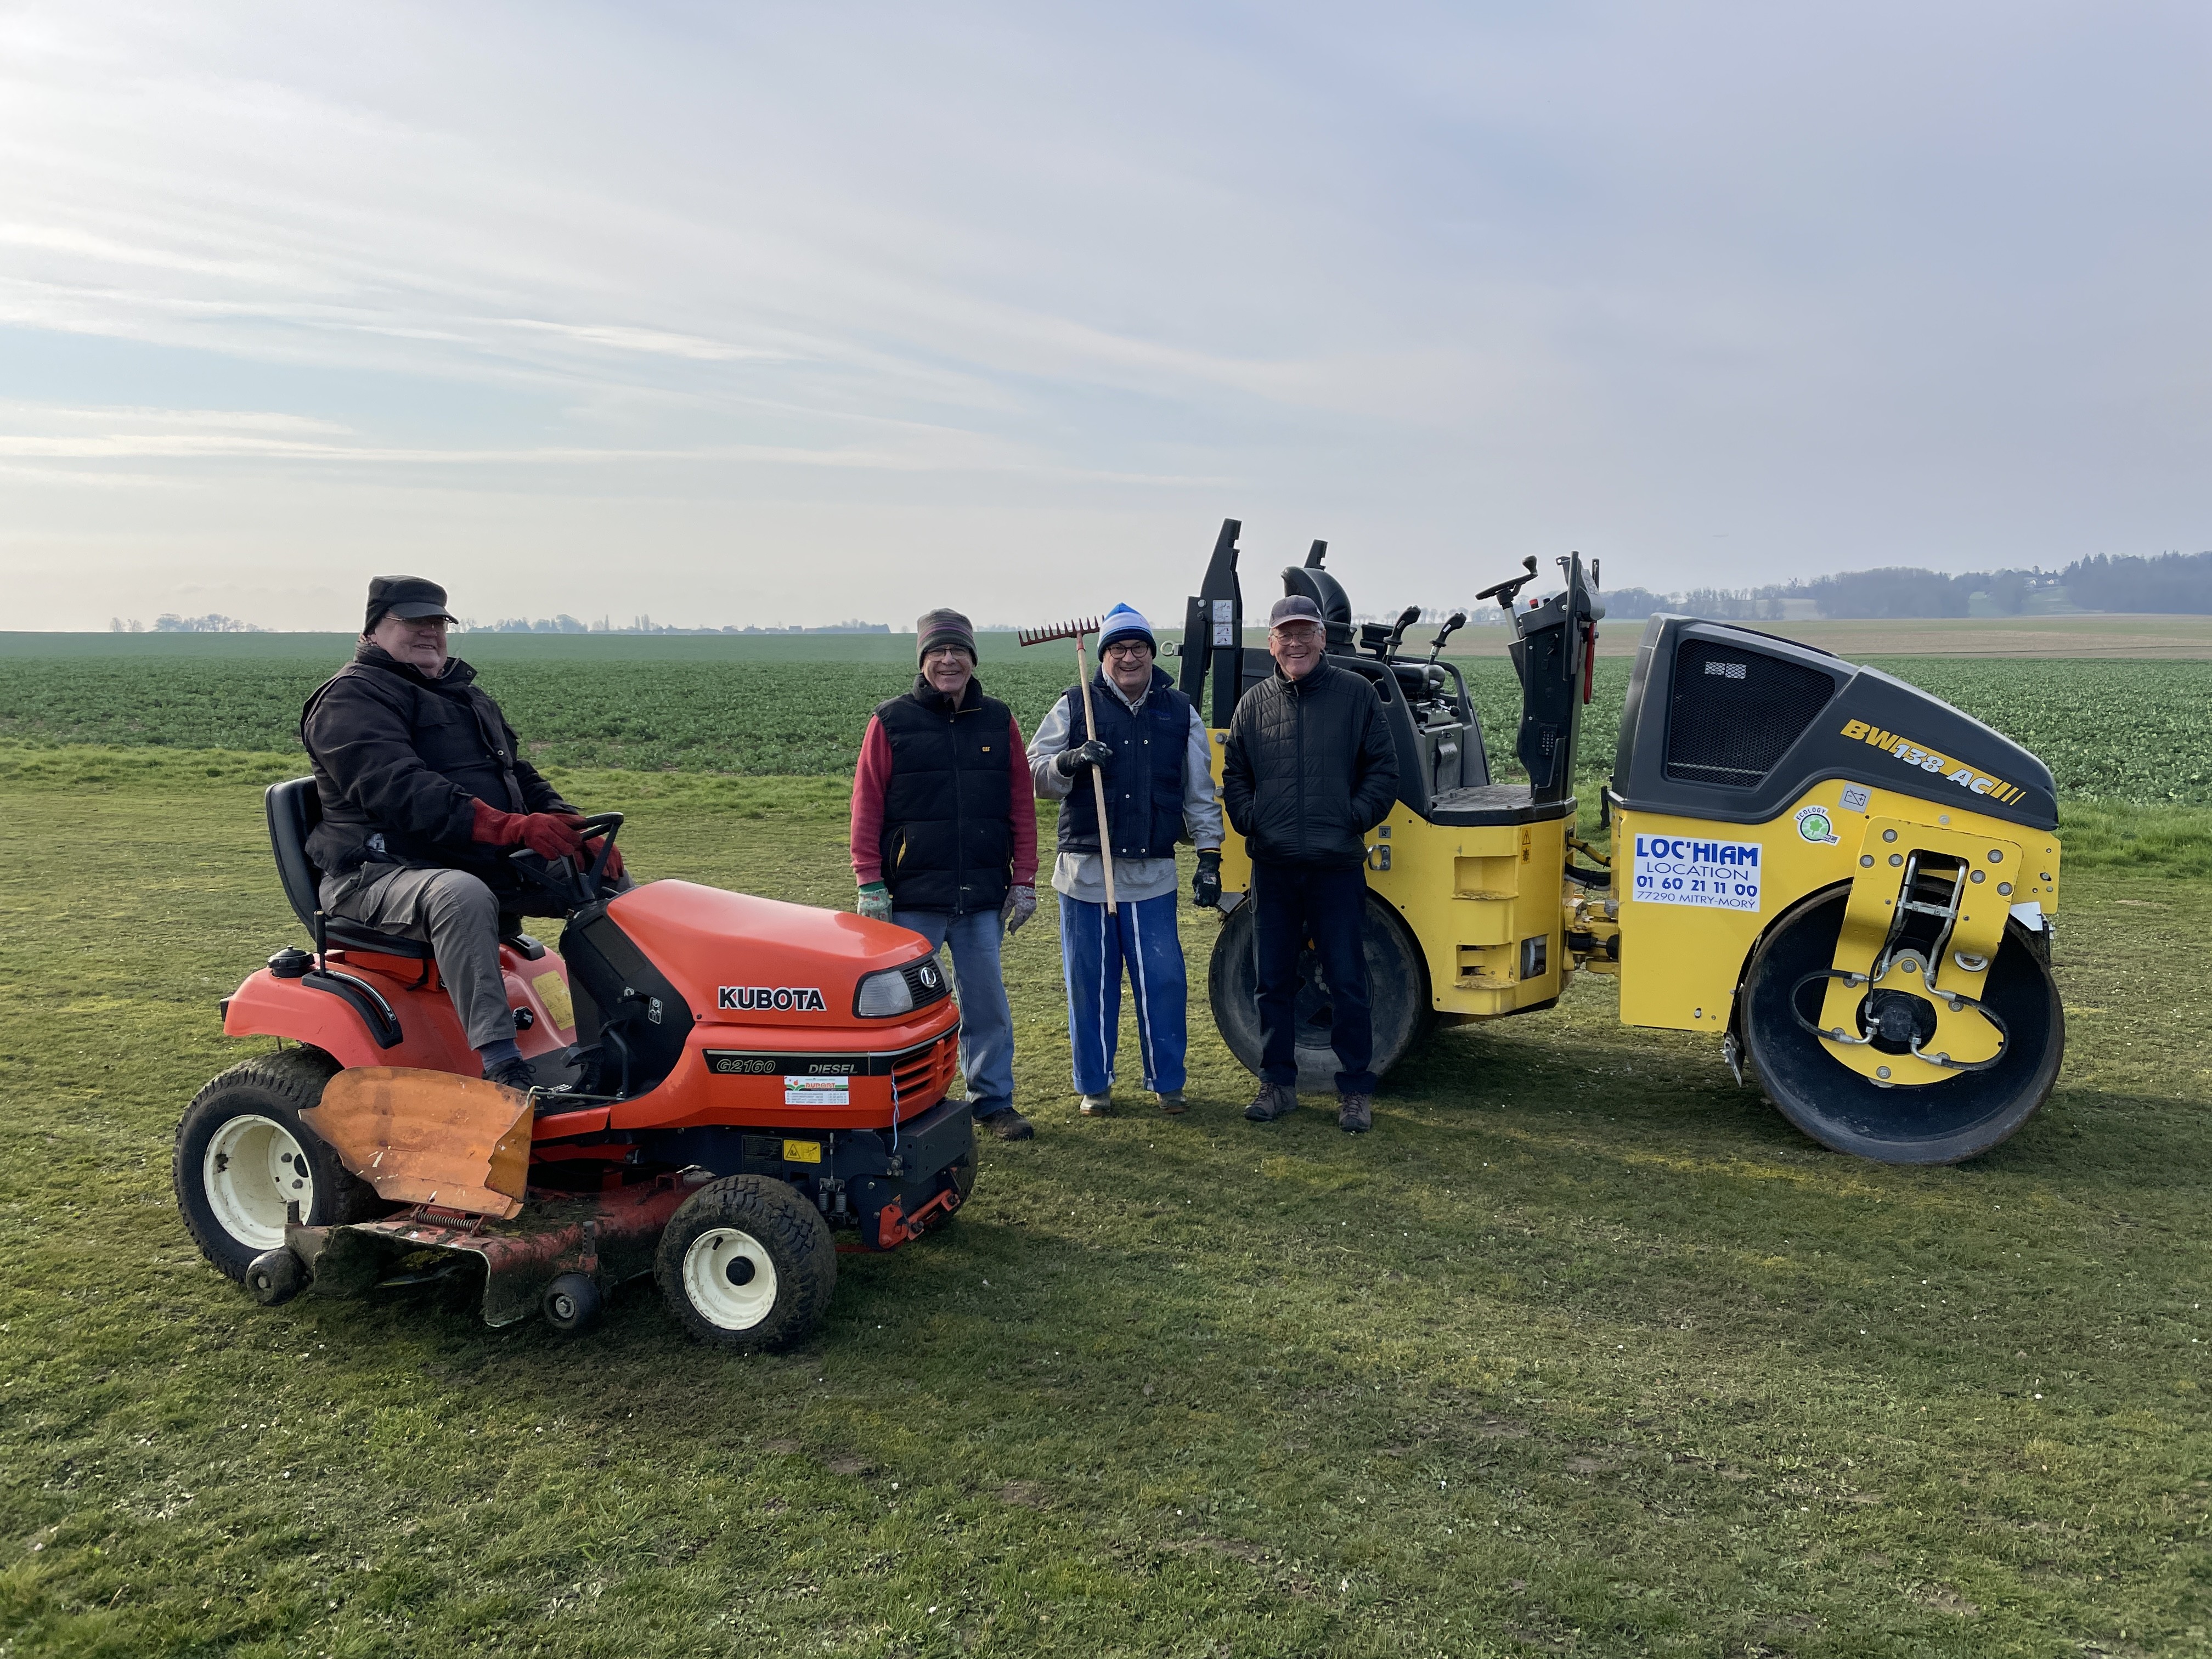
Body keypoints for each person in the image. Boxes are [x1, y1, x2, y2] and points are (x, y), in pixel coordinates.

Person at [301, 575, 625, 1093]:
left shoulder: (462, 695)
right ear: (374, 629)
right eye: (413, 622)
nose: (429, 633)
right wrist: (510, 828)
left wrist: (573, 828)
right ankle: (504, 1068)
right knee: (461, 894)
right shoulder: (350, 701)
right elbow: (403, 793)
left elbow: (519, 778)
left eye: (437, 622)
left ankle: (616, 1047)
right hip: (378, 872)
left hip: (468, 855)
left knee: (609, 892)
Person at [850, 608, 1041, 1141]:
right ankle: (904, 1105)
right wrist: (870, 881)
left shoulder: (997, 720)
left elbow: (1020, 807)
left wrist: (1023, 878)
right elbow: (866, 805)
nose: (949, 661)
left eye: (958, 651)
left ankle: (993, 1100)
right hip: (914, 896)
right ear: (924, 661)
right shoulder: (891, 721)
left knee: (987, 1004)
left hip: (981, 894)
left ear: (973, 658)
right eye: (938, 653)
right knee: (906, 1010)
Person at [1026, 603, 1222, 1117]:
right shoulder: (1075, 705)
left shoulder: (1179, 711)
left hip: (1152, 875)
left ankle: (1168, 1081)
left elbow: (1200, 791)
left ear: (1152, 655)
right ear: (1104, 656)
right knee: (1091, 983)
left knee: (1163, 979)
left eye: (1138, 648)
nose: (1128, 657)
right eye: (1118, 649)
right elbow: (1031, 772)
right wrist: (1069, 761)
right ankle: (1096, 1084)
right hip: (1086, 875)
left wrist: (1209, 853)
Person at [1221, 594, 1400, 1133]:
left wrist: (1351, 816)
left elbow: (1383, 772)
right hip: (1273, 867)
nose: (1294, 643)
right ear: (1271, 642)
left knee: (1346, 979)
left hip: (1336, 866)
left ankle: (1355, 1092)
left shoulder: (1356, 695)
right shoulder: (1253, 705)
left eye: (1305, 633)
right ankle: (1277, 1084)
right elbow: (1235, 776)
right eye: (1284, 634)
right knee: (1271, 980)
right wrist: (1253, 819)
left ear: (1322, 638)